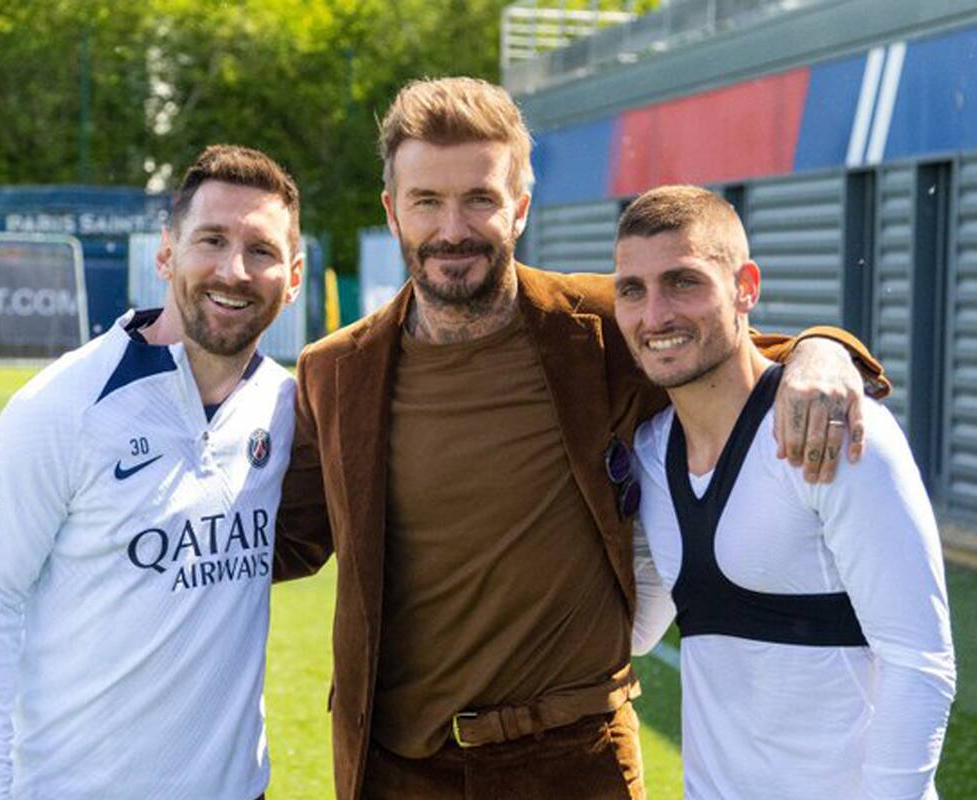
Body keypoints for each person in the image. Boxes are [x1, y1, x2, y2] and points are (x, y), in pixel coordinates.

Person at [274, 76, 889, 800]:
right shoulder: (335, 371)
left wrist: (824, 350)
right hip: (399, 770)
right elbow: (282, 540)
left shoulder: (598, 329)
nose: (452, 229)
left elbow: (741, 349)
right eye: (427, 202)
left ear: (521, 208)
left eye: (480, 199)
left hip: (574, 761)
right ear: (393, 211)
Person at [0, 145, 303, 800]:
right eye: (212, 241)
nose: (234, 270)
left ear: (295, 275)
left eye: (261, 250)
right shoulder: (58, 408)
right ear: (166, 255)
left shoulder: (287, 410)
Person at [620, 185, 956, 799]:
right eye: (633, 291)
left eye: (683, 282)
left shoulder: (839, 432)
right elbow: (637, 631)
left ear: (746, 287)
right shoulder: (648, 454)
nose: (655, 315)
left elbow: (920, 663)